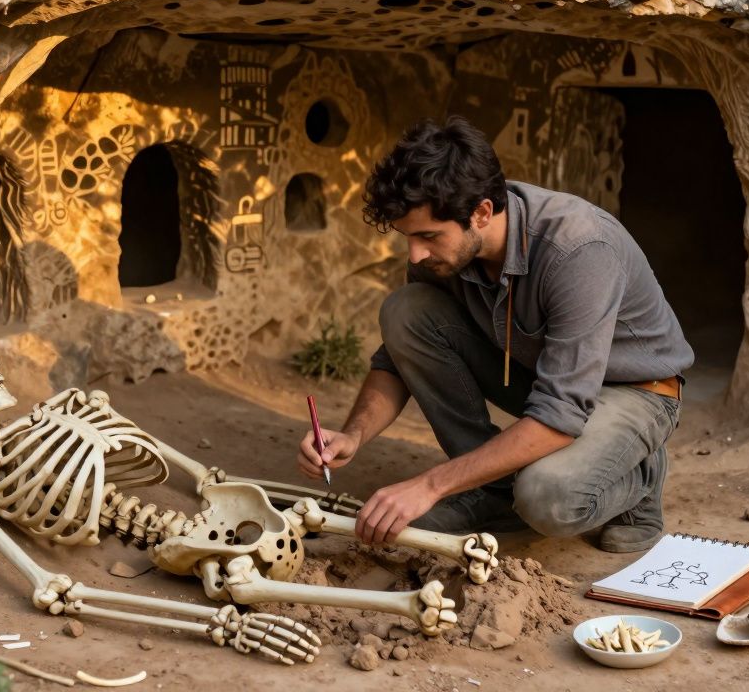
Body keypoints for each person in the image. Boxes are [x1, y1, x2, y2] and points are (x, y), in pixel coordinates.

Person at [297, 116, 694, 553]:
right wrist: (353, 435)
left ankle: (640, 474)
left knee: (547, 498)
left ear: (482, 212)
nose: (415, 253)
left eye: (428, 236)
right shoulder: (443, 251)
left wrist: (430, 486)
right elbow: (396, 359)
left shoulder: (579, 248)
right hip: (543, 374)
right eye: (408, 237)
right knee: (405, 312)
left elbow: (560, 413)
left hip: (634, 391)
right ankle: (492, 490)